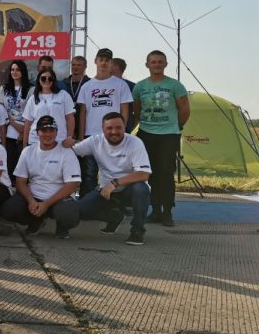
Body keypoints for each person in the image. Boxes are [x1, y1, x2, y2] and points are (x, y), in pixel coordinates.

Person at [71, 112, 153, 245]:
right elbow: (72, 150)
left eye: (118, 127)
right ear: (102, 129)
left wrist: (115, 183)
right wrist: (66, 143)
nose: (114, 132)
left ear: (124, 127)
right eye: (109, 128)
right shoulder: (95, 141)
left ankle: (137, 231)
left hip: (129, 190)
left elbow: (144, 174)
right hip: (105, 191)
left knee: (141, 188)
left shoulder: (135, 142)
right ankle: (114, 217)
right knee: (78, 210)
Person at [132, 50, 190, 227]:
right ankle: (155, 210)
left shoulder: (175, 85)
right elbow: (137, 111)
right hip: (146, 133)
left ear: (165, 64)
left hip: (168, 135)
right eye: (153, 62)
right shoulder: (140, 86)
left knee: (165, 173)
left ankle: (167, 212)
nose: (156, 64)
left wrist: (177, 126)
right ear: (147, 64)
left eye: (160, 61)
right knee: (150, 173)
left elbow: (185, 109)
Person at [1, 115, 81, 239]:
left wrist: (46, 204)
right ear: (37, 132)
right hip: (34, 196)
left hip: (58, 199)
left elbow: (73, 185)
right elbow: (20, 181)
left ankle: (62, 226)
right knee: (9, 210)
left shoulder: (66, 152)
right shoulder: (28, 151)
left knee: (70, 215)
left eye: (51, 130)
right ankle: (36, 220)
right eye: (44, 130)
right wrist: (31, 201)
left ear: (56, 132)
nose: (48, 134)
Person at [76, 48, 134, 196]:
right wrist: (81, 137)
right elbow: (83, 113)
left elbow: (125, 109)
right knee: (89, 173)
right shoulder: (87, 86)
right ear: (95, 61)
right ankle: (88, 203)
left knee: (114, 172)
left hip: (113, 135)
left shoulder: (120, 84)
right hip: (91, 135)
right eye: (101, 59)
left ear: (111, 63)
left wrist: (122, 132)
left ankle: (113, 203)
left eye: (107, 60)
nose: (103, 63)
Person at [0, 60, 34, 180]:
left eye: (17, 69)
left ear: (23, 71)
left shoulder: (31, 89)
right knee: (8, 164)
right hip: (8, 132)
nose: (14, 72)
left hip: (24, 132)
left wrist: (23, 132)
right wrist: (12, 122)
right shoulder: (3, 88)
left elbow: (32, 113)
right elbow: (1, 110)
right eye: (12, 69)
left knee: (21, 166)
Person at [22, 68, 76, 147]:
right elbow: (27, 123)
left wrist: (69, 138)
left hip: (59, 140)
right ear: (39, 80)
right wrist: (24, 145)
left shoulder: (63, 95)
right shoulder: (33, 98)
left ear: (54, 80)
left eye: (50, 78)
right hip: (36, 141)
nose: (47, 80)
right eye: (43, 78)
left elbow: (70, 118)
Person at [62, 55, 89, 141]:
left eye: (79, 65)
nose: (75, 67)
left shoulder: (90, 83)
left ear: (85, 67)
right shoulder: (63, 83)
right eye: (73, 65)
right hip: (66, 125)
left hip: (86, 125)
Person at [111, 57, 136, 133]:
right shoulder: (102, 85)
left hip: (125, 127)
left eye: (110, 64)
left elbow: (137, 110)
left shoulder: (132, 86)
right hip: (106, 124)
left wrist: (129, 126)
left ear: (116, 67)